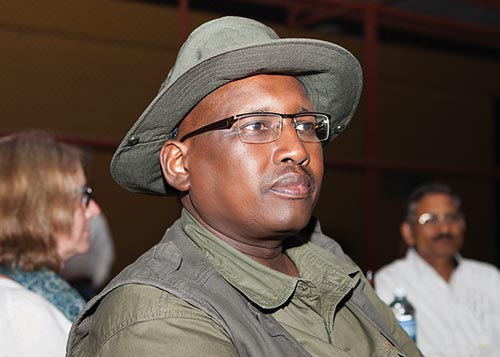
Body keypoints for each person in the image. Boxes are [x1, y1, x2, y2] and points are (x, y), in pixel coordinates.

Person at [67, 16, 421, 356]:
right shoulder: (159, 316)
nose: (297, 150)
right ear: (179, 164)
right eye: (255, 126)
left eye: (306, 125)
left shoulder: (330, 264)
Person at [0, 130, 101, 357]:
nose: (95, 210)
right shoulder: (21, 311)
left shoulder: (28, 297)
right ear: (40, 207)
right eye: (84, 196)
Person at [374, 182, 500, 357]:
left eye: (451, 218)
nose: (444, 228)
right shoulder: (390, 281)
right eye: (429, 219)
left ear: (463, 225)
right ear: (409, 232)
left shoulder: (490, 278)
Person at [62, 213, 116, 299]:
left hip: (86, 284)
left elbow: (105, 252)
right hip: (60, 280)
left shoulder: (95, 218)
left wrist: (97, 283)